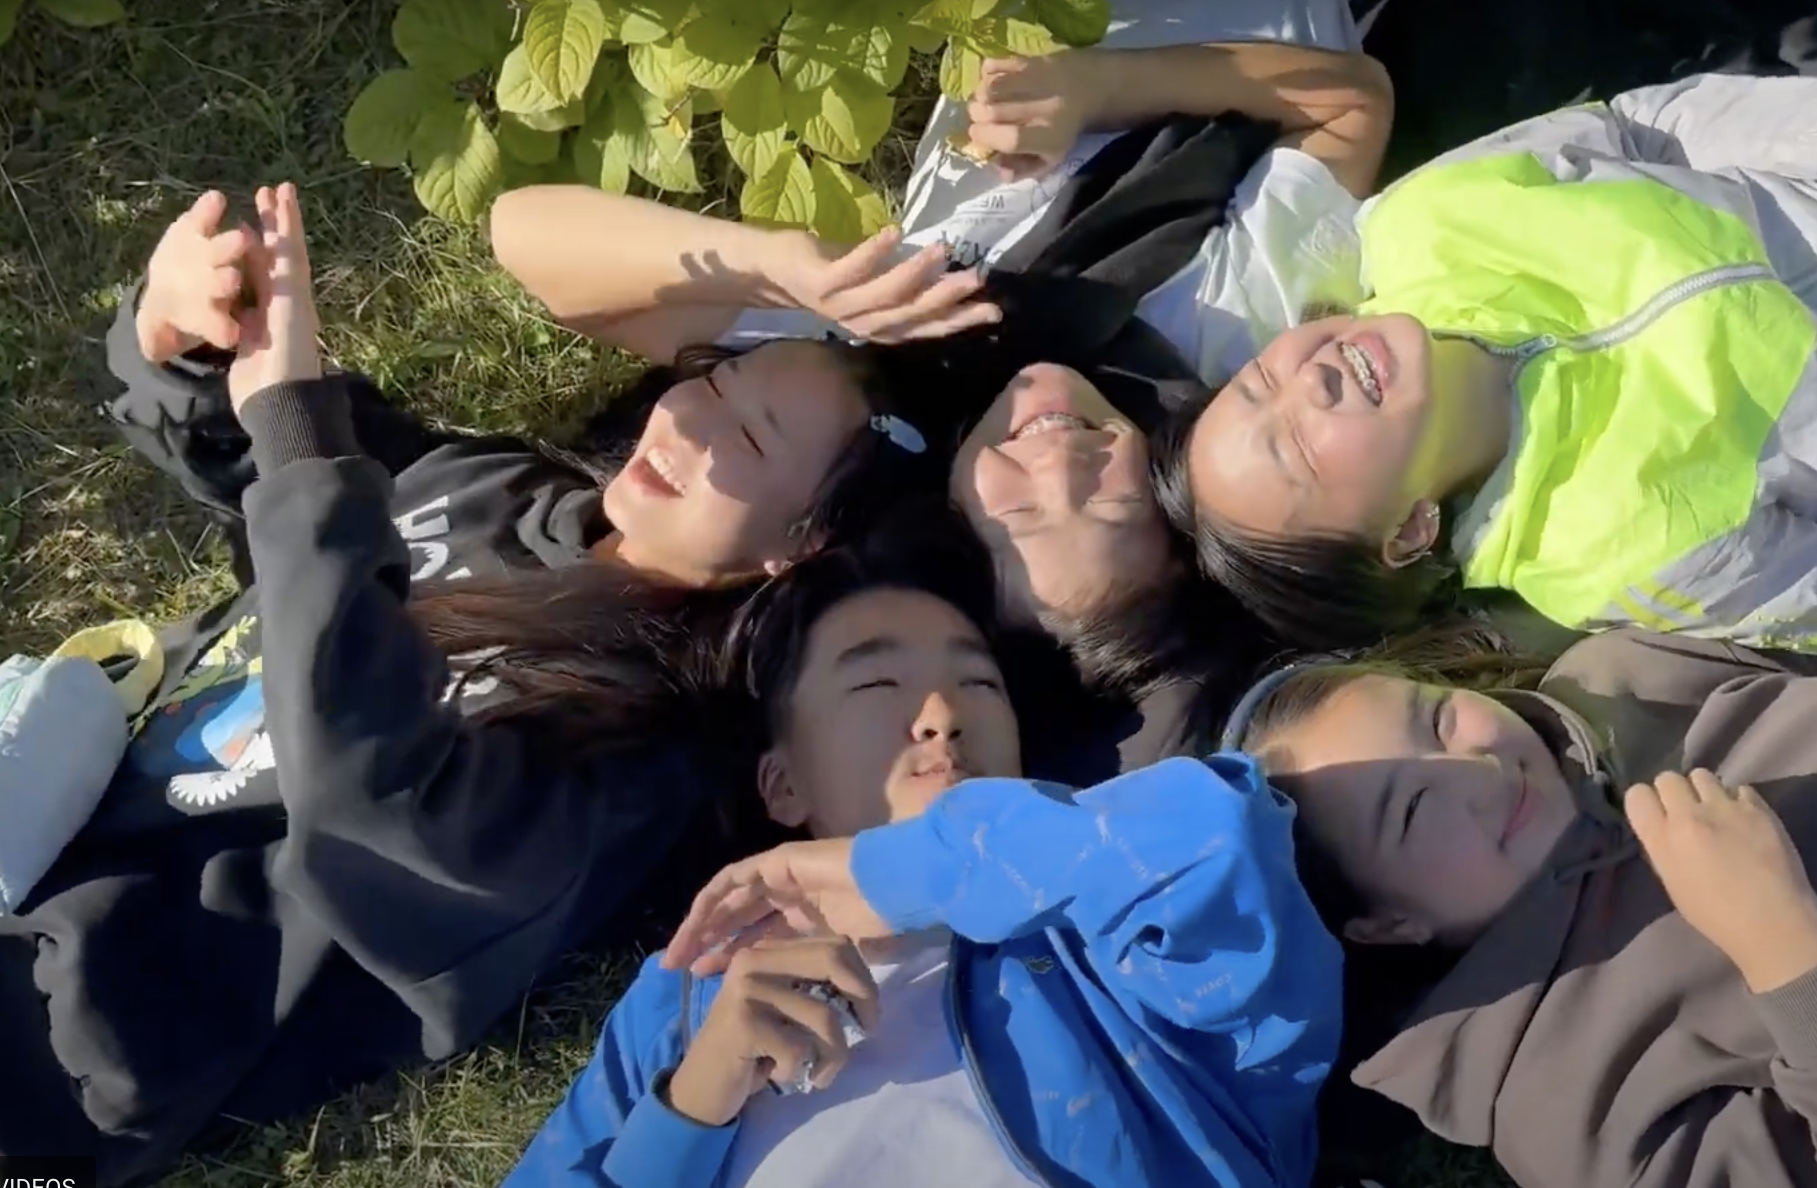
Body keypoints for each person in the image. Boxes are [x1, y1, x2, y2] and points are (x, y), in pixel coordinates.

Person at [0, 183, 922, 1183]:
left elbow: (382, 807)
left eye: (748, 441)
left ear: (802, 547)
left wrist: (299, 435)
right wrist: (179, 329)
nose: (689, 427)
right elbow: (251, 453)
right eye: (713, 382)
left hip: (79, 1001)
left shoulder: (638, 759)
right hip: (47, 763)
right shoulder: (503, 491)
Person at [489, 0, 1393, 669]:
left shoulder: (866, 364)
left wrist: (779, 263)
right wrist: (1104, 88)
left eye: (724, 386)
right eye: (1104, 502)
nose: (1053, 466)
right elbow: (1351, 106)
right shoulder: (1210, 350)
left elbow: (529, 244)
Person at [1158, 69, 1817, 655]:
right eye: (1297, 450)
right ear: (1405, 533)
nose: (1306, 381)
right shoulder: (1621, 559)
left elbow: (1641, 125)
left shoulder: (1418, 224)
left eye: (1259, 384)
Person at [500, 528, 1343, 1188]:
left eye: (979, 685)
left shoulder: (1108, 941)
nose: (941, 713)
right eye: (875, 686)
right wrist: (691, 1105)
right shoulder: (687, 991)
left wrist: (901, 872)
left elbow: (1220, 839)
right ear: (781, 784)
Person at [1225, 621, 1817, 1187]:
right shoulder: (1566, 1110)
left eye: (1436, 718)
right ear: (1389, 925)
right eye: (1414, 807)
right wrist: (1790, 951)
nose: (1479, 768)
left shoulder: (1613, 674)